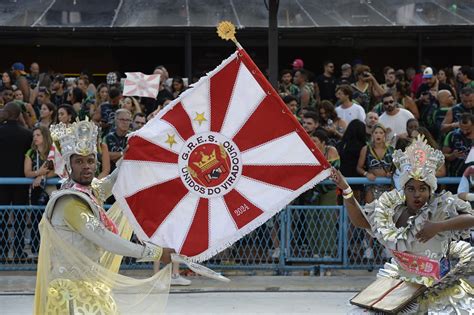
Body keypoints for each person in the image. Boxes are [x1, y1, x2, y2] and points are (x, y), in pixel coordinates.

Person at [34, 120, 175, 314]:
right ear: (68, 166)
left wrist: (129, 156)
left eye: (90, 161)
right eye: (79, 161)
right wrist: (155, 253)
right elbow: (105, 238)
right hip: (69, 293)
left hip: (90, 287)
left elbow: (112, 181)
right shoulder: (69, 202)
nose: (86, 167)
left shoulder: (88, 191)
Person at [331, 135, 474, 314]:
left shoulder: (441, 206)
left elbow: (471, 218)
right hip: (401, 285)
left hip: (438, 287)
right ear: (404, 189)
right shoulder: (392, 208)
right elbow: (360, 221)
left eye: (422, 189)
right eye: (411, 189)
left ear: (430, 190)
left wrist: (438, 227)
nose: (417, 195)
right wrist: (346, 190)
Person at [0, 103, 32, 261]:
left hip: (2, 182)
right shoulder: (27, 134)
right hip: (21, 181)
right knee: (20, 217)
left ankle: (2, 251)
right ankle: (19, 252)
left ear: (8, 113)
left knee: (2, 216)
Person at [24, 126, 57, 256]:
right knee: (37, 217)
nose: (35, 138)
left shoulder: (53, 151)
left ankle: (52, 249)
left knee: (53, 218)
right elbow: (27, 173)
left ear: (45, 136)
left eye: (38, 135)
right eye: (34, 136)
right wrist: (39, 172)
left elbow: (58, 170)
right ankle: (37, 248)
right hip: (37, 190)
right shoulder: (31, 153)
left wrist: (42, 176)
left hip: (51, 190)